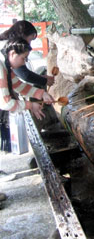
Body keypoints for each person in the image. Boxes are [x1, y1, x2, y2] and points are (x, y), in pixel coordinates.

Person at [0, 38, 54, 207]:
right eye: (23, 58)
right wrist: (30, 105)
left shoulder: (6, 66)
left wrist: (41, 94)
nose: (24, 62)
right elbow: (5, 102)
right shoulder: (1, 68)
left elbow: (18, 86)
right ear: (12, 53)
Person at [0, 20, 54, 88]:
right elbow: (24, 75)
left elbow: (14, 81)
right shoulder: (11, 49)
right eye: (30, 40)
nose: (29, 44)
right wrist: (44, 81)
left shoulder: (5, 44)